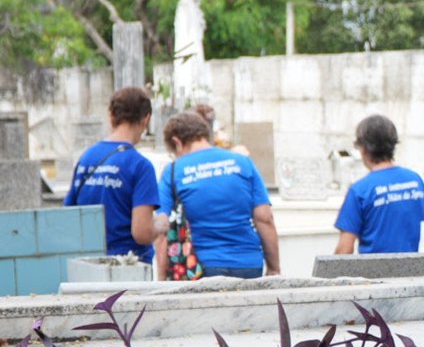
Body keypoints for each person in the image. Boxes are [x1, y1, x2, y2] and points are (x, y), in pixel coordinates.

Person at [154, 111, 280, 279]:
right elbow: (264, 218)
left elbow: (161, 229)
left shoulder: (173, 171)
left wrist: (162, 279)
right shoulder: (243, 162)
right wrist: (274, 268)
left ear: (177, 142)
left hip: (200, 267)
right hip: (248, 263)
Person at [64, 86, 159, 263]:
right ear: (146, 119)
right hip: (128, 265)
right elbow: (142, 233)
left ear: (111, 116)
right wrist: (160, 225)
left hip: (88, 263)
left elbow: (69, 215)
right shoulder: (140, 166)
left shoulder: (86, 158)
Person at [334, 114, 424, 255]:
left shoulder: (360, 190)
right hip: (419, 268)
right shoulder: (419, 180)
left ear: (364, 148)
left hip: (375, 269)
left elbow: (345, 249)